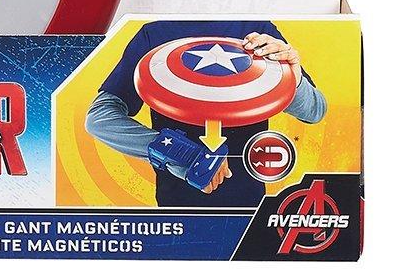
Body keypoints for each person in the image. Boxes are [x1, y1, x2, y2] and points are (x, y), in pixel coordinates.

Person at [86, 20, 326, 208]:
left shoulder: (257, 29)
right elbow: (100, 117)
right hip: (178, 207)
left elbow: (315, 111)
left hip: (250, 206)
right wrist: (182, 154)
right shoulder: (155, 32)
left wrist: (293, 78)